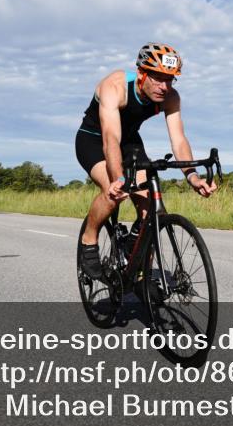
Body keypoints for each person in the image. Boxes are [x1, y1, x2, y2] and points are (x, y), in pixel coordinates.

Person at [74, 43, 217, 279]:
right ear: (141, 74)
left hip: (129, 142)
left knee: (150, 205)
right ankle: (89, 240)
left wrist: (193, 177)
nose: (164, 86)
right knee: (114, 195)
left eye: (170, 79)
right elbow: (111, 139)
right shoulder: (115, 86)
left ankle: (140, 271)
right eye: (158, 78)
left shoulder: (170, 97)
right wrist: (119, 178)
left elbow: (179, 140)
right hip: (94, 140)